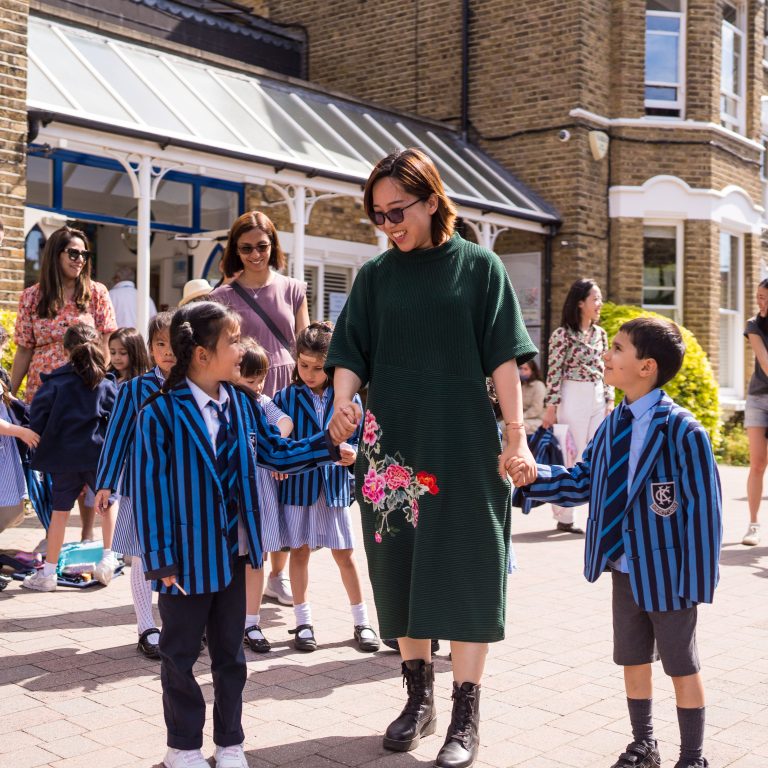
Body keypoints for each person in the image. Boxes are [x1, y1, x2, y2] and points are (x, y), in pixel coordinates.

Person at [326, 148, 537, 768]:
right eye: (378, 216)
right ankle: (418, 699)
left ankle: (466, 712)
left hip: (465, 442)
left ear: (432, 199)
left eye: (398, 211)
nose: (389, 225)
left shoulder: (479, 268)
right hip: (391, 447)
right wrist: (342, 401)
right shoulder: (373, 277)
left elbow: (503, 358)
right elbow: (350, 354)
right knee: (399, 568)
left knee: (470, 570)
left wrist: (516, 435)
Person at [132, 301, 349, 768]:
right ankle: (183, 748)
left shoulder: (245, 406)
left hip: (237, 553)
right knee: (180, 656)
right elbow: (149, 493)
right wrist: (161, 563)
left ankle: (230, 744)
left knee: (231, 656)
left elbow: (278, 452)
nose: (242, 347)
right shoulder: (160, 414)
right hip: (184, 563)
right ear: (203, 355)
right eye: (232, 340)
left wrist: (328, 444)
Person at [514, 317, 722, 768]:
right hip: (624, 568)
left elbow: (705, 513)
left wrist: (698, 583)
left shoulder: (684, 432)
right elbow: (584, 480)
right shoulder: (611, 426)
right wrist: (531, 479)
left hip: (671, 576)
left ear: (646, 366)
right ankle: (644, 744)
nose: (606, 356)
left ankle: (693, 757)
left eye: (619, 349)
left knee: (682, 666)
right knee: (632, 660)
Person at [210, 212, 310, 610]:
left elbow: (304, 344)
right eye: (246, 247)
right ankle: (242, 573)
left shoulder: (293, 288)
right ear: (235, 249)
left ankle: (276, 575)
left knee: (285, 486)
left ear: (274, 246)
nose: (254, 254)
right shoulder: (221, 296)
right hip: (241, 393)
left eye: (262, 246)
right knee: (248, 485)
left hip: (285, 389)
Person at [274, 322, 379, 654]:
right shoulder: (285, 397)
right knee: (300, 552)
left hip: (334, 488)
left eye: (317, 367)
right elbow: (278, 441)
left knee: (345, 555)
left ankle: (362, 622)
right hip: (299, 488)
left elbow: (366, 442)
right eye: (303, 365)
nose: (308, 373)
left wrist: (355, 457)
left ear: (331, 364)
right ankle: (303, 622)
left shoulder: (347, 399)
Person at [11, 226, 117, 543]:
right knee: (49, 466)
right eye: (73, 253)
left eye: (85, 253)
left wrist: (100, 384)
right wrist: (9, 394)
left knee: (86, 463)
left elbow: (106, 345)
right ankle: (51, 530)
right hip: (44, 395)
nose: (80, 259)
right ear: (55, 254)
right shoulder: (32, 297)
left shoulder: (96, 293)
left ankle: (86, 534)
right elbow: (24, 349)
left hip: (85, 391)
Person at [95, 311, 175, 658]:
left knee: (180, 554)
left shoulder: (197, 385)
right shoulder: (134, 389)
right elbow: (116, 437)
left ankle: (180, 624)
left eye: (175, 345)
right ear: (151, 348)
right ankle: (146, 626)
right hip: (143, 487)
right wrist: (106, 483)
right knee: (143, 555)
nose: (168, 352)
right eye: (160, 345)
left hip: (182, 489)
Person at [22, 323, 119, 592]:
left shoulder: (54, 383)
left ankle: (49, 573)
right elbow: (117, 420)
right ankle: (108, 557)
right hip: (98, 455)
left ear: (65, 351)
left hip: (63, 458)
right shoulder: (105, 383)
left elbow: (37, 419)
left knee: (60, 513)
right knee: (109, 502)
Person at [541, 278, 613, 534]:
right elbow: (554, 372)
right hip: (571, 394)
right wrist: (551, 406)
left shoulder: (601, 335)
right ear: (580, 303)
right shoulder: (562, 335)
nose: (599, 303)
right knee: (571, 454)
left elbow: (606, 370)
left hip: (597, 395)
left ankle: (597, 508)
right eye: (595, 298)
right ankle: (565, 514)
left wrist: (610, 399)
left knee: (597, 452)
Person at [235, 338, 294, 652]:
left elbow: (285, 422)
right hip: (233, 491)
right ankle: (217, 623)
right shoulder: (224, 402)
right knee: (231, 557)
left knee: (257, 556)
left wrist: (273, 447)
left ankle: (251, 621)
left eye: (261, 379)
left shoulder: (262, 403)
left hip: (259, 490)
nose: (257, 386)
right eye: (250, 379)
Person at [742, 278, 768, 547]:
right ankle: (753, 525)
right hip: (759, 398)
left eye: (765, 297)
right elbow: (765, 362)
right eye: (759, 296)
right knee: (758, 463)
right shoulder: (753, 325)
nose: (760, 302)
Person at [520, 359, 546, 435]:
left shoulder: (539, 385)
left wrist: (520, 418)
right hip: (522, 419)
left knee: (513, 429)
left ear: (532, 371)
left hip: (536, 420)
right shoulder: (521, 386)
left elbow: (536, 409)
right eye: (520, 368)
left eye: (525, 369)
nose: (522, 371)